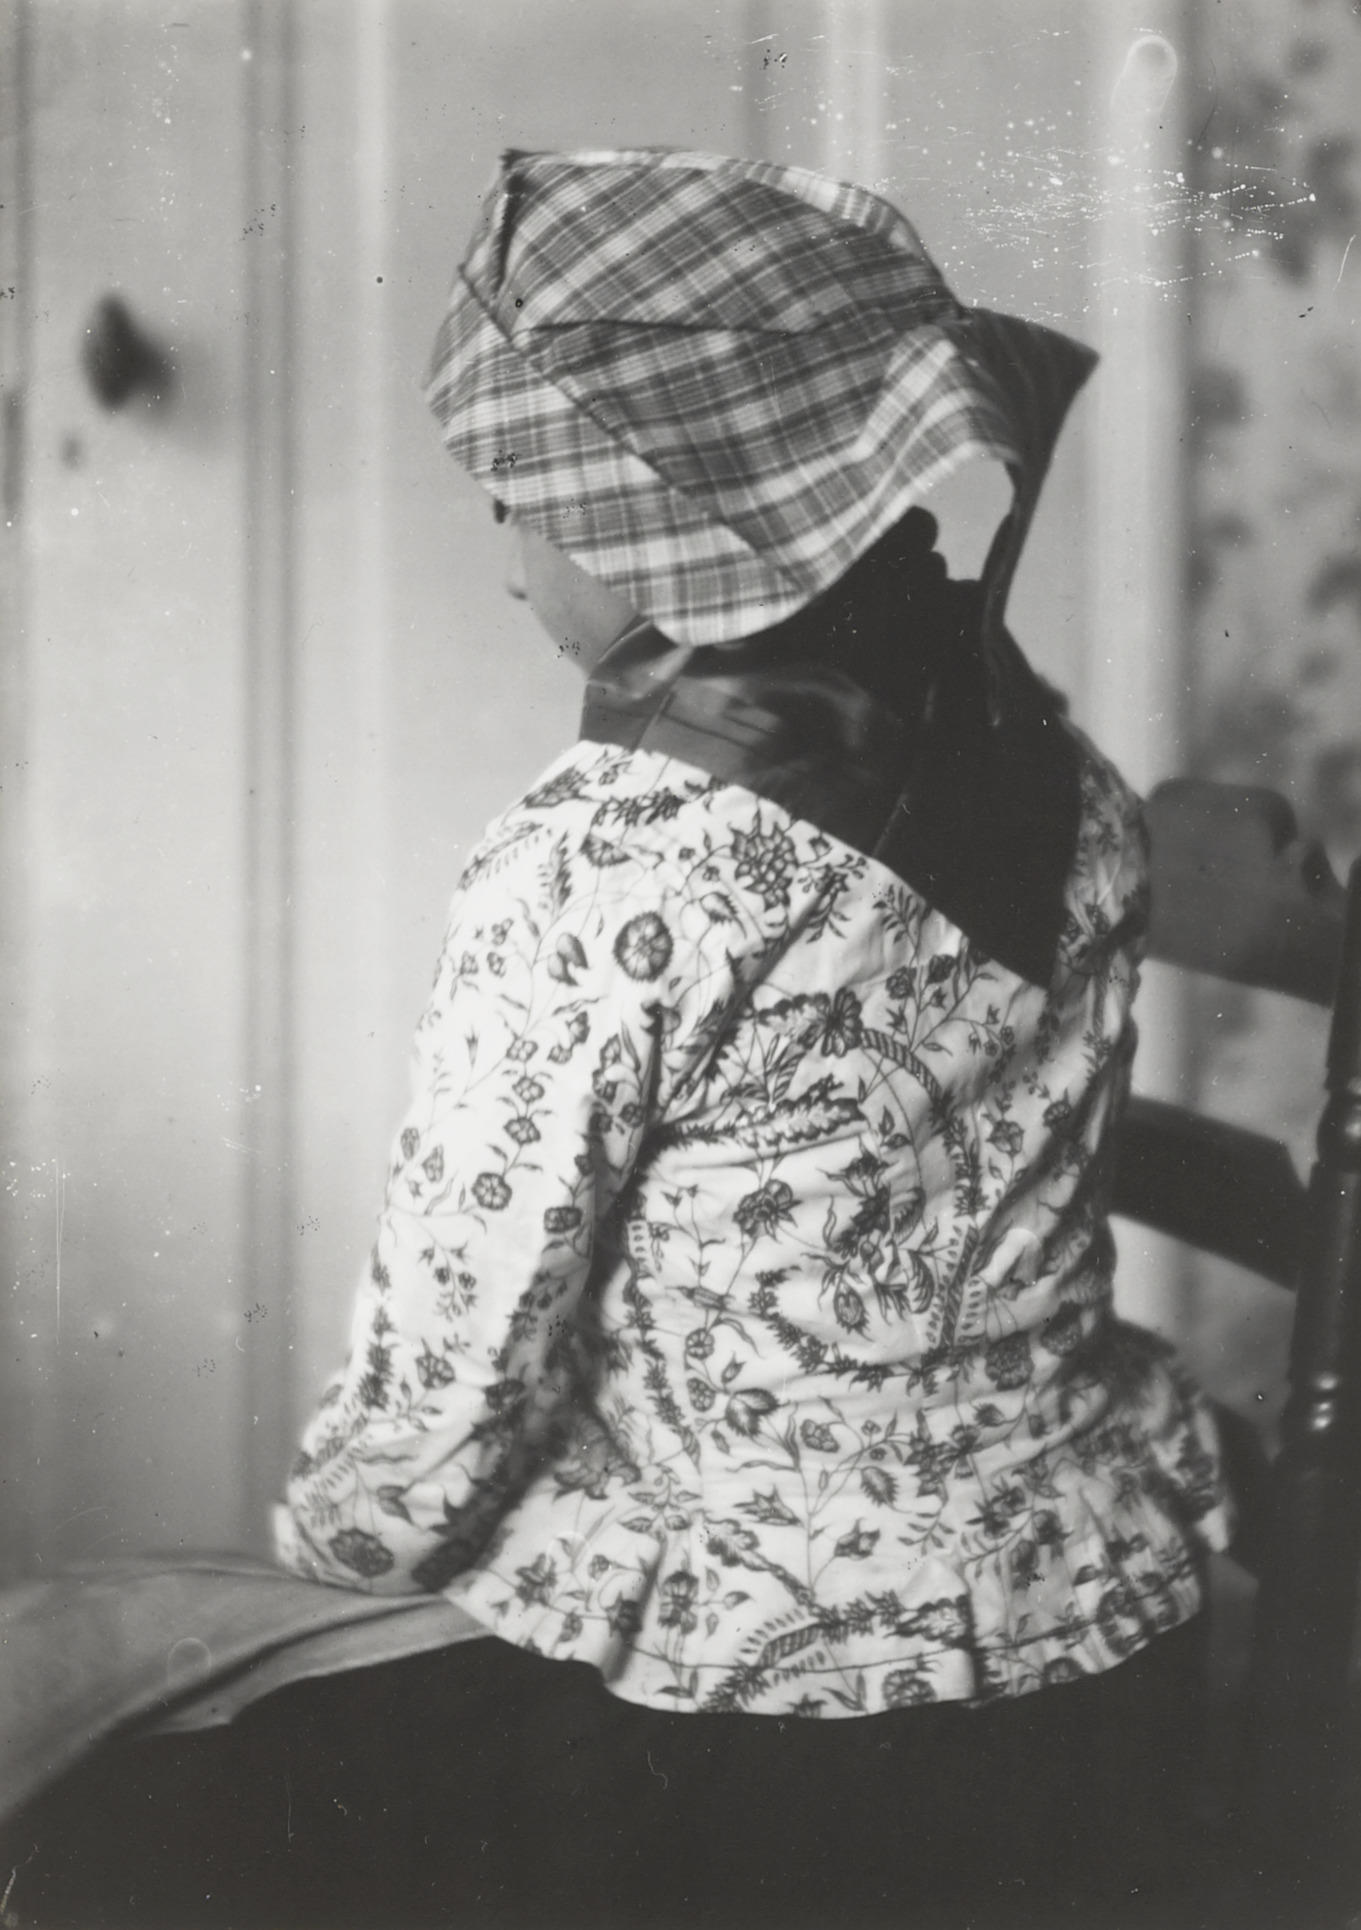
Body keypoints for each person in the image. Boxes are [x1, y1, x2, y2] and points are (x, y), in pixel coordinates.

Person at [7, 149, 1231, 1930]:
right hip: (1090, 1638)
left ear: (658, 524)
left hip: (762, 1724)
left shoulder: (601, 867)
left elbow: (459, 1363)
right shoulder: (1063, 775)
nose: (508, 559)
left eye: (517, 498)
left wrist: (336, 1553)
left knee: (107, 1812)